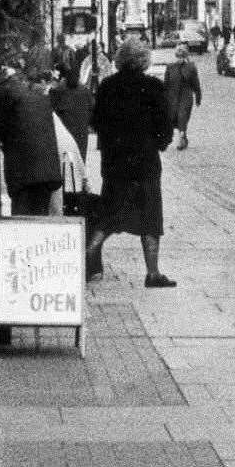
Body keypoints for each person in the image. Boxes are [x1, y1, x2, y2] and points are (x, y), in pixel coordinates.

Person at [91, 36, 177, 288]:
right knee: (150, 215)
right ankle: (153, 272)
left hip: (115, 162)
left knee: (110, 213)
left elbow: (96, 122)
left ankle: (88, 253)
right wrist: (160, 142)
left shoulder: (107, 86)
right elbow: (165, 123)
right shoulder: (152, 86)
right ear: (144, 61)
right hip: (145, 162)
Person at [0, 65, 63, 216]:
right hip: (48, 170)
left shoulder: (2, 93)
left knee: (22, 220)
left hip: (24, 172)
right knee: (39, 217)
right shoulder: (35, 94)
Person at [164, 42, 203, 149]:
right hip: (172, 97)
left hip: (186, 96)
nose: (180, 59)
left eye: (182, 57)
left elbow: (196, 83)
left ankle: (181, 139)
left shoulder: (191, 67)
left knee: (182, 116)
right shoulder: (170, 67)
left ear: (185, 56)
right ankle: (183, 137)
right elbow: (166, 84)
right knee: (173, 117)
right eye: (178, 56)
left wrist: (198, 97)